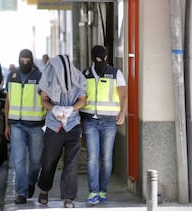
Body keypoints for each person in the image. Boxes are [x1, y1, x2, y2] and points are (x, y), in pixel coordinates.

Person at [37, 55, 87, 208]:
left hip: (72, 125)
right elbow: (43, 100)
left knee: (71, 162)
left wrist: (71, 109)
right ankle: (44, 190)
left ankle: (68, 197)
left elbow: (83, 100)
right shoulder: (47, 78)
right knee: (49, 161)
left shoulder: (78, 77)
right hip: (54, 127)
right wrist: (55, 108)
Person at [80, 45, 128, 205]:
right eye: (96, 58)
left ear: (106, 57)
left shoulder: (115, 73)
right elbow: (81, 97)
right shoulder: (85, 74)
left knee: (106, 158)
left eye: (101, 57)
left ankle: (102, 190)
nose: (99, 60)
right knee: (92, 157)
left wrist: (122, 113)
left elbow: (123, 95)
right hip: (89, 121)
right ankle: (93, 192)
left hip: (109, 122)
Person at [4, 49, 46, 204]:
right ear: (18, 59)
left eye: (28, 60)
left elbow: (45, 99)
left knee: (35, 160)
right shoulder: (12, 76)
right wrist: (7, 124)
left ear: (31, 60)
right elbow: (7, 101)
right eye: (22, 59)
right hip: (16, 125)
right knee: (19, 160)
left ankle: (30, 182)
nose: (25, 62)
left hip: (36, 125)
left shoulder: (39, 76)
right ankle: (21, 193)